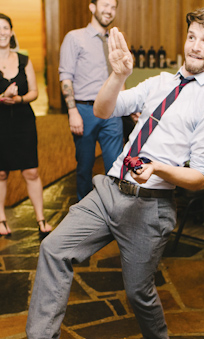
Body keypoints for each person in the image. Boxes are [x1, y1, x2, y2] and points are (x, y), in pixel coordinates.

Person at [0, 6, 204, 339]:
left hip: (150, 206)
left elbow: (200, 177)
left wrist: (160, 169)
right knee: (53, 249)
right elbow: (103, 109)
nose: (196, 46)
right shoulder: (160, 82)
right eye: (193, 37)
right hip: (109, 189)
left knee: (137, 291)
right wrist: (117, 75)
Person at [0, 14, 52, 238]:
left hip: (23, 121)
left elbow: (35, 92)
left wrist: (18, 99)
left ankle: (41, 218)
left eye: (5, 28)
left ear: (11, 31)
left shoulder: (24, 60)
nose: (1, 32)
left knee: (32, 170)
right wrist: (2, 97)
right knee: (0, 172)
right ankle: (1, 218)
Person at [59, 0, 124, 201]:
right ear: (92, 6)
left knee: (116, 165)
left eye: (113, 7)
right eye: (105, 5)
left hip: (113, 110)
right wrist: (72, 112)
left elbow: (120, 75)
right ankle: (85, 214)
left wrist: (126, 105)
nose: (109, 11)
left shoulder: (115, 40)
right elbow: (66, 76)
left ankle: (116, 211)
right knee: (84, 167)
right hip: (85, 110)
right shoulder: (75, 37)